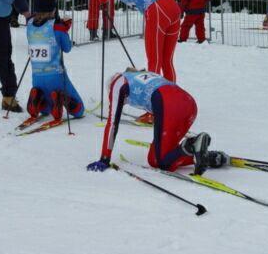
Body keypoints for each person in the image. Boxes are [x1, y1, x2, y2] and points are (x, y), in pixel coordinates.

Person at [86, 68, 228, 175]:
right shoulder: (137, 76)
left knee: (162, 162)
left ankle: (191, 145)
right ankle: (207, 157)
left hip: (169, 104)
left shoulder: (117, 84)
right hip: (188, 105)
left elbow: (112, 123)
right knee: (154, 159)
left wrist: (105, 158)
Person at [25, 0, 84, 121]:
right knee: (79, 109)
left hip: (37, 76)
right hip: (56, 75)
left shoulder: (29, 25)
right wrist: (64, 29)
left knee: (46, 109)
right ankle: (61, 97)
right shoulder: (57, 26)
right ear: (53, 10)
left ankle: (37, 99)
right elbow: (67, 48)